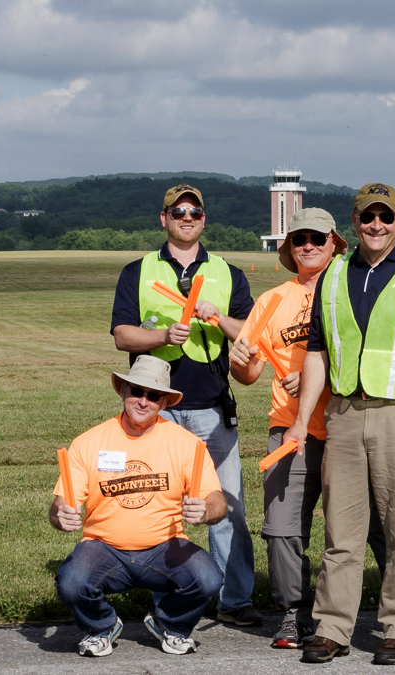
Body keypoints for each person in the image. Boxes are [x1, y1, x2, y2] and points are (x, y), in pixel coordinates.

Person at [282, 184, 395, 666]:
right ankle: (332, 627)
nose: (376, 225)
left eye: (386, 216)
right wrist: (302, 421)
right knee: (340, 530)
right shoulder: (334, 272)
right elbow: (317, 352)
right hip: (343, 413)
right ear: (355, 220)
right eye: (368, 216)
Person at [110, 183, 261, 626]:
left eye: (195, 212)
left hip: (211, 405)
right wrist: (161, 336)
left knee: (227, 503)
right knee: (156, 503)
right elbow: (122, 335)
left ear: (204, 219)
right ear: (164, 219)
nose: (187, 218)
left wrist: (218, 318)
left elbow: (251, 334)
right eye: (178, 212)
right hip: (152, 407)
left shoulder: (228, 272)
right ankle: (170, 599)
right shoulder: (136, 271)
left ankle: (235, 600)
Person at [50, 355, 226, 658]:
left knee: (209, 578)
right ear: (123, 391)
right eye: (136, 391)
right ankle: (101, 627)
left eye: (153, 395)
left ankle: (169, 624)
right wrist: (60, 514)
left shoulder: (186, 444)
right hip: (102, 546)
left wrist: (206, 510)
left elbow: (216, 500)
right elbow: (60, 504)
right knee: (71, 583)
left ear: (164, 403)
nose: (143, 401)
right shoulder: (89, 442)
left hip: (165, 547)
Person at [227, 207, 346, 649]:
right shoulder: (273, 300)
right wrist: (241, 365)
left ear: (334, 242)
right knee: (281, 528)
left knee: (366, 525)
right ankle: (294, 613)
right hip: (289, 429)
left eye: (317, 238)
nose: (308, 246)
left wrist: (323, 378)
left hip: (345, 425)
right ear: (289, 250)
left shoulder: (351, 288)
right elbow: (250, 372)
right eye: (299, 240)